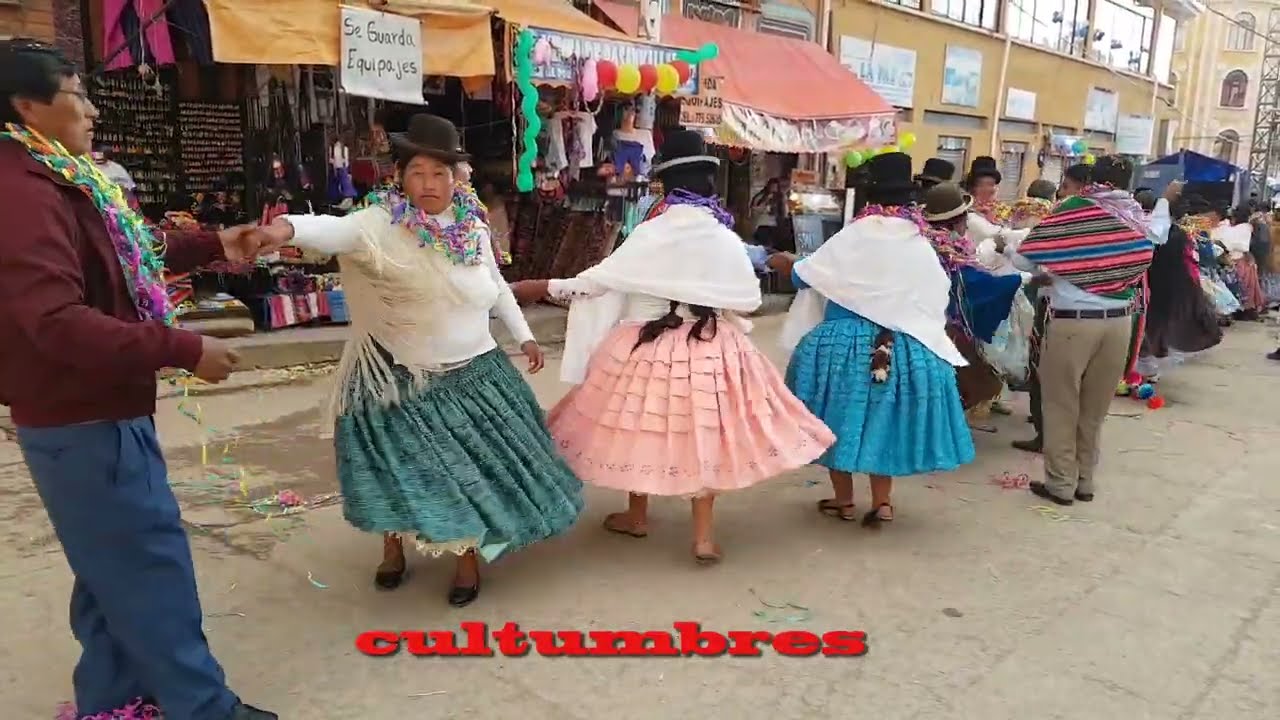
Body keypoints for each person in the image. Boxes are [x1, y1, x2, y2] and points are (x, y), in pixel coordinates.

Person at [0, 39, 275, 719]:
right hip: (81, 415)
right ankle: (205, 709)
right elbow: (57, 322)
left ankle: (112, 699)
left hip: (94, 408)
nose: (93, 110)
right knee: (150, 568)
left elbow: (124, 245)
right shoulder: (19, 193)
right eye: (78, 95)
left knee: (109, 569)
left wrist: (215, 243)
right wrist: (180, 346)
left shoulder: (58, 170)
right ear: (28, 105)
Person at [251, 114, 583, 605]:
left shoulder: (472, 224)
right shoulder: (379, 224)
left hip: (477, 371)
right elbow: (333, 230)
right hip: (398, 376)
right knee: (396, 470)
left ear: (456, 177)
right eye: (418, 173)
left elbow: (495, 286)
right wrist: (284, 229)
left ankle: (467, 560)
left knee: (468, 475)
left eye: (439, 174)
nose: (429, 184)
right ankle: (393, 547)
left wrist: (525, 336)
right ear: (400, 176)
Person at [510, 131, 833, 562]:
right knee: (704, 438)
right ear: (707, 185)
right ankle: (702, 537)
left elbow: (591, 285)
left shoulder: (649, 234)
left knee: (640, 428)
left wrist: (529, 288)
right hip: (712, 347)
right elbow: (750, 301)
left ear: (664, 184)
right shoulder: (722, 237)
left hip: (643, 348)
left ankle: (637, 515)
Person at [773, 152, 975, 527]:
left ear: (868, 195)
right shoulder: (919, 244)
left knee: (836, 419)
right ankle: (883, 503)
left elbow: (806, 277)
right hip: (902, 347)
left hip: (840, 345)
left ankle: (844, 500)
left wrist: (785, 262)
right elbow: (936, 296)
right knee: (884, 422)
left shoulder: (853, 235)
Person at [1006, 155, 1154, 506]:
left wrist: (1010, 249)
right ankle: (1085, 481)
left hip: (1074, 322)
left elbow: (1028, 257)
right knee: (1094, 408)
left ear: (1091, 180)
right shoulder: (1134, 213)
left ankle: (1060, 484)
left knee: (1061, 404)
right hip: (1120, 321)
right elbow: (1142, 257)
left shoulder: (1075, 207)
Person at [921, 183, 1023, 414]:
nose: (968, 221)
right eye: (965, 216)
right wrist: (1018, 281)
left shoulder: (933, 242)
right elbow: (969, 283)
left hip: (932, 322)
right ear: (956, 220)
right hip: (943, 326)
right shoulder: (943, 248)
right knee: (973, 380)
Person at [1137, 195, 1223, 379]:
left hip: (1151, 284)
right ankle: (1148, 366)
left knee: (1145, 326)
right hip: (1171, 286)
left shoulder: (1144, 231)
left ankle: (1142, 368)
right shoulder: (1180, 233)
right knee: (1157, 326)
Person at [1214, 205, 1267, 319]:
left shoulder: (1224, 226)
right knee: (1247, 287)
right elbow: (1245, 247)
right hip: (1241, 261)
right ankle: (1245, 310)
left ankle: (1234, 310)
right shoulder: (1246, 227)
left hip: (1227, 260)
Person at [964, 155, 1008, 224]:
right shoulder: (965, 207)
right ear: (974, 186)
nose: (992, 189)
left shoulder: (995, 207)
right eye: (989, 184)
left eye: (993, 185)